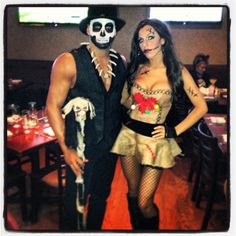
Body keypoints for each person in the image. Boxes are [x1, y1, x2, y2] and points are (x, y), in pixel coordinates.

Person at [111, 19, 208, 230]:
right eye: (141, 40)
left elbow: (201, 107)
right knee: (133, 193)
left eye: (151, 37)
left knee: (145, 202)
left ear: (163, 39)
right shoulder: (136, 68)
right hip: (129, 135)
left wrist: (174, 131)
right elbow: (124, 101)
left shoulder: (177, 71)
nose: (145, 44)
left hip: (155, 140)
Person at [46, 6, 126, 231]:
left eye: (108, 27)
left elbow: (119, 102)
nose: (102, 32)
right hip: (80, 150)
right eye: (97, 26)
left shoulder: (121, 61)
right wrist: (66, 148)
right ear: (88, 30)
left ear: (114, 31)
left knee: (101, 198)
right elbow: (52, 106)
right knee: (75, 205)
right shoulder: (68, 61)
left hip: (110, 148)